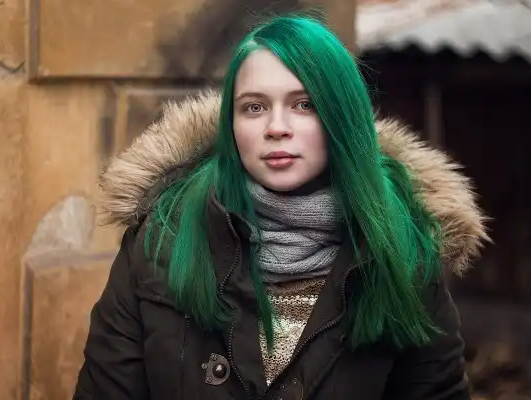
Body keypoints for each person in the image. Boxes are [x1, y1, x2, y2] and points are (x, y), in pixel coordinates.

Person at [73, 14, 488, 399]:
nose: (276, 128)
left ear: (342, 118)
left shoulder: (404, 251)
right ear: (232, 124)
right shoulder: (159, 239)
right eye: (254, 107)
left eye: (304, 104)